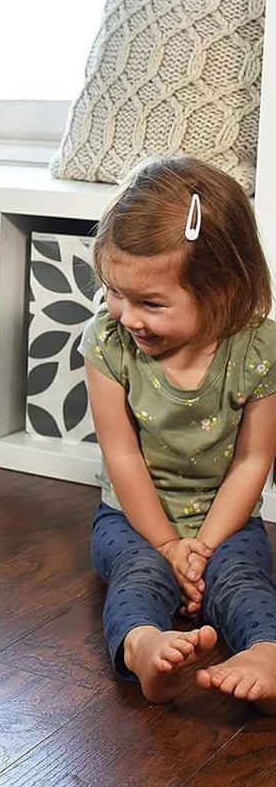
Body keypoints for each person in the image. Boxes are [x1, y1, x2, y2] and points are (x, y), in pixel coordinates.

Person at [83, 154, 276, 712]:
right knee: (137, 572)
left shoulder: (258, 350)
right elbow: (121, 455)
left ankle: (266, 652)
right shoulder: (108, 344)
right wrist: (168, 546)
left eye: (151, 303)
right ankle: (143, 649)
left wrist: (205, 547)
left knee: (239, 575)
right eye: (114, 292)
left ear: (221, 290)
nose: (127, 316)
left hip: (227, 519)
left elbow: (252, 461)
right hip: (131, 516)